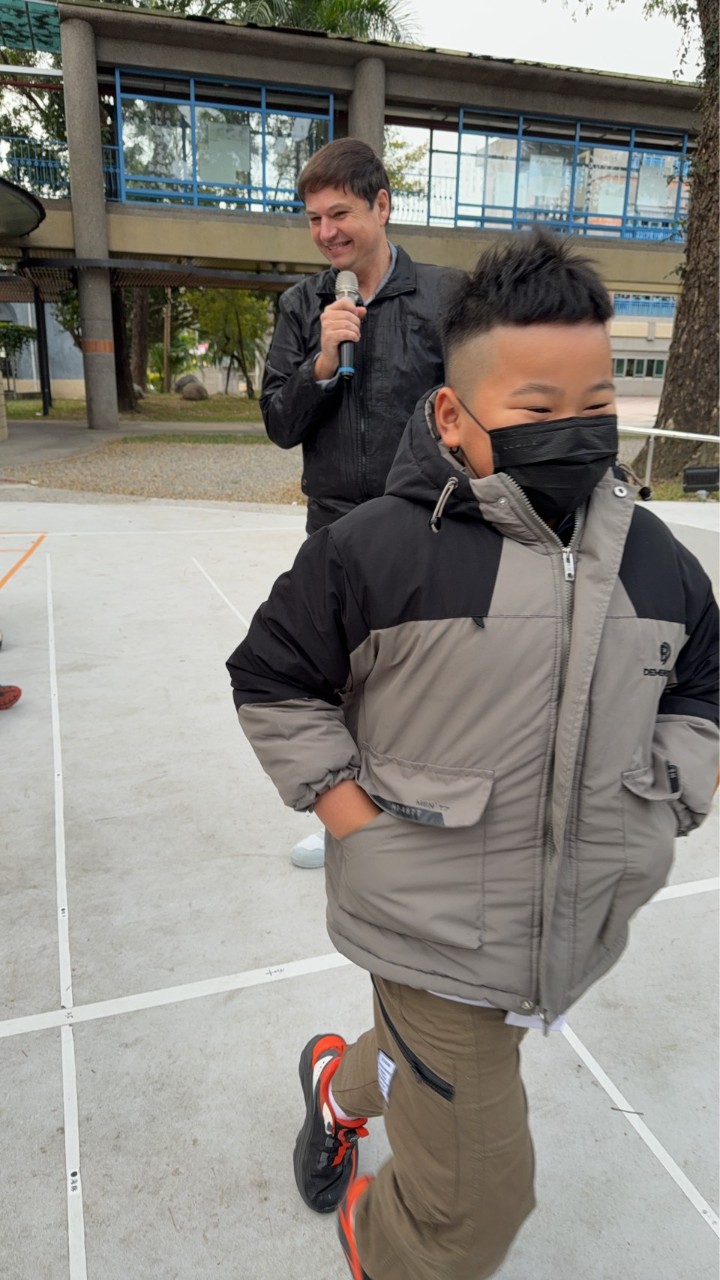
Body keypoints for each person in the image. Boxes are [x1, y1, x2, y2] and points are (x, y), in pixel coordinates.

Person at [227, 231, 719, 1280]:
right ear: (452, 413)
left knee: (437, 1061)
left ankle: (336, 1086)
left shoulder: (657, 560)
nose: (575, 431)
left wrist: (664, 798)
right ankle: (382, 1245)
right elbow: (272, 675)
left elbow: (702, 685)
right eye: (538, 408)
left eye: (596, 403)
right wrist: (357, 823)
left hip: (562, 925)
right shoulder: (379, 549)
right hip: (430, 934)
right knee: (475, 1208)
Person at [260, 138, 461, 867]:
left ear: (381, 205)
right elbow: (279, 423)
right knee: (336, 681)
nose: (326, 233)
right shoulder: (302, 305)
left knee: (429, 682)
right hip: (335, 531)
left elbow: (477, 409)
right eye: (314, 218)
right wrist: (321, 361)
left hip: (429, 525)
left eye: (339, 213)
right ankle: (346, 819)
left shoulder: (446, 297)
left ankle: (430, 815)